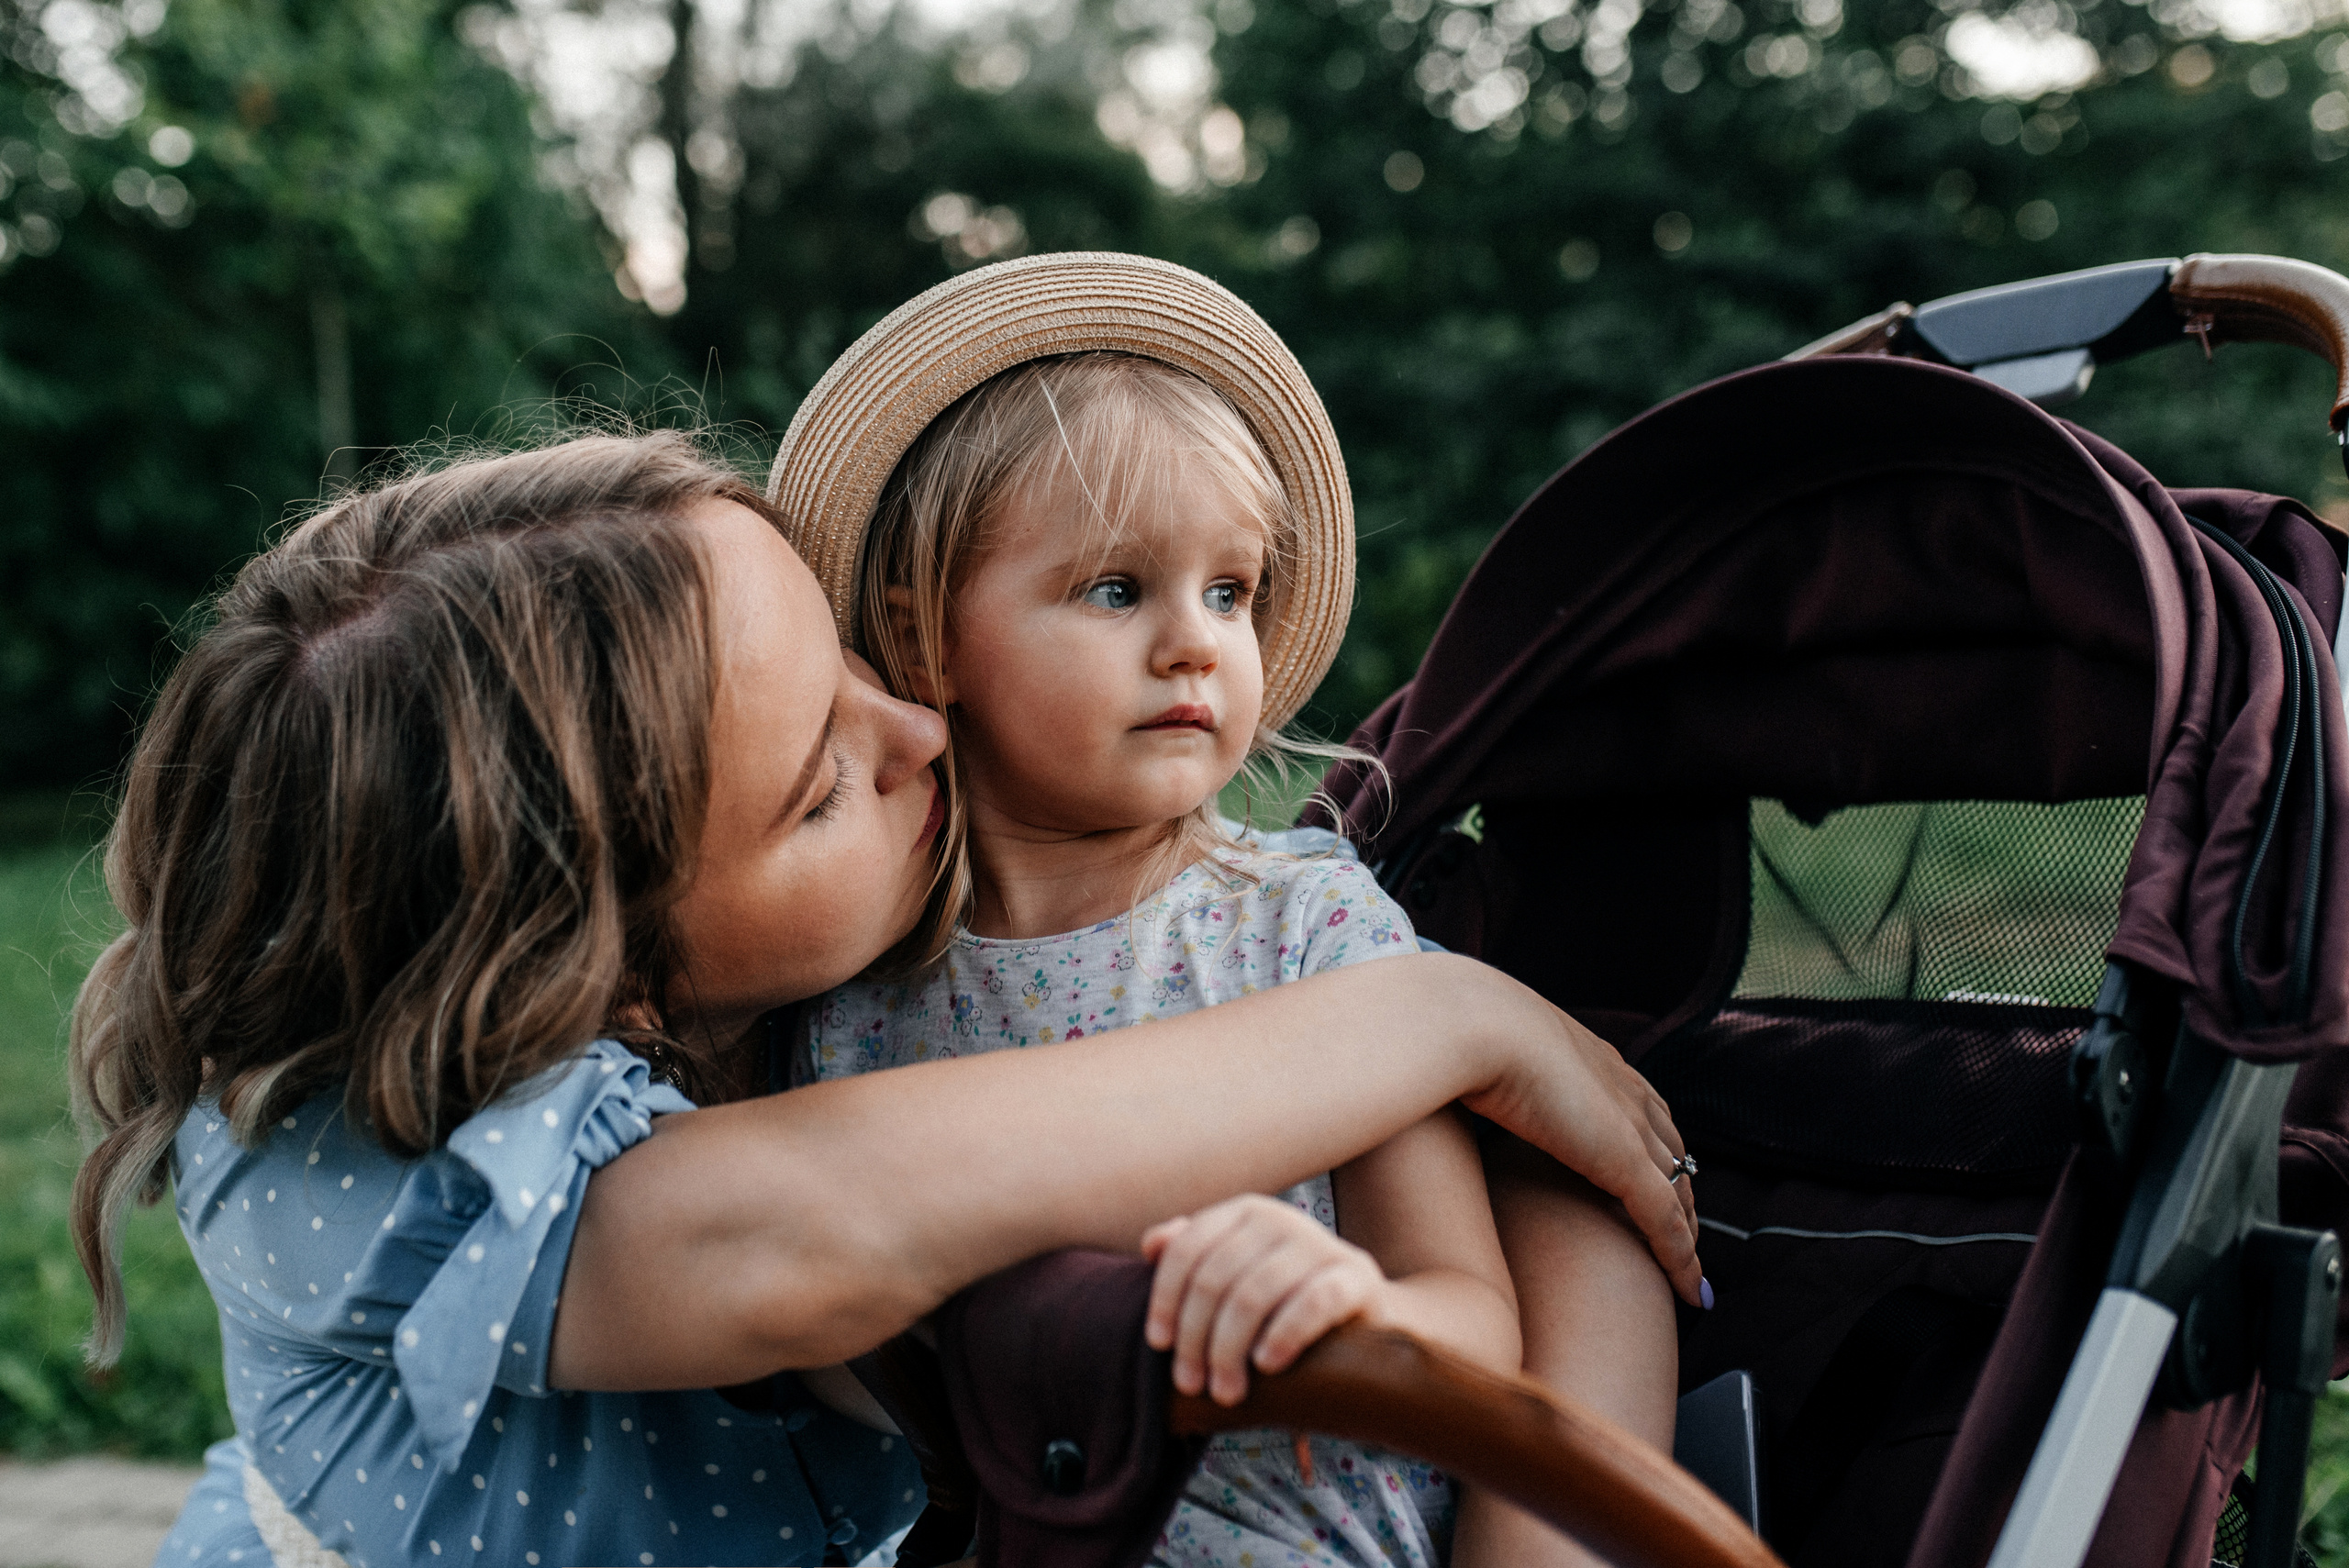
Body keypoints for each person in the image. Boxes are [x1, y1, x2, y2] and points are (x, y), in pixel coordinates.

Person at [72, 428, 1698, 1568]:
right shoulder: (350, 1158)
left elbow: (1563, 1234)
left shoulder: (862, 979)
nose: (918, 730)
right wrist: (1442, 1016)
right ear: (610, 972)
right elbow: (823, 1217)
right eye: (819, 785)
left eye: (858, 661)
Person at [772, 251, 1696, 1568]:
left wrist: (1340, 1307)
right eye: (1114, 588)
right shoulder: (860, 988)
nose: (1196, 641)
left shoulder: (1305, 933)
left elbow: (1475, 1315)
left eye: (1230, 590)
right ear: (923, 642)